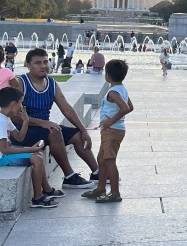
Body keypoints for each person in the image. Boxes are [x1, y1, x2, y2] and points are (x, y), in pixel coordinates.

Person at [9, 48, 98, 186]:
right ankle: (69, 176)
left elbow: (66, 109)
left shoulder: (51, 83)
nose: (43, 66)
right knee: (54, 131)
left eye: (45, 62)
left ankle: (97, 172)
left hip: (43, 129)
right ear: (28, 65)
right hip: (22, 132)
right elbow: (13, 116)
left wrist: (84, 130)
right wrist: (42, 123)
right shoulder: (21, 83)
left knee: (78, 135)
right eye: (38, 63)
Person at [82, 59, 134, 203]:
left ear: (108, 76)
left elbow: (125, 108)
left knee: (110, 160)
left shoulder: (113, 92)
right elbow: (130, 107)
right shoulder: (122, 89)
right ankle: (100, 188)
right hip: (110, 130)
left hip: (112, 130)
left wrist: (110, 121)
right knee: (102, 159)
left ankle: (115, 192)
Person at [0, 87, 60, 207]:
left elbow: (19, 137)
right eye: (21, 103)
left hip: (4, 154)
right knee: (37, 158)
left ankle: (46, 189)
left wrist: (26, 121)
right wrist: (31, 149)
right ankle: (38, 197)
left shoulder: (6, 118)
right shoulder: (1, 121)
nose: (22, 107)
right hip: (2, 158)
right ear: (13, 104)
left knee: (38, 154)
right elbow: (4, 149)